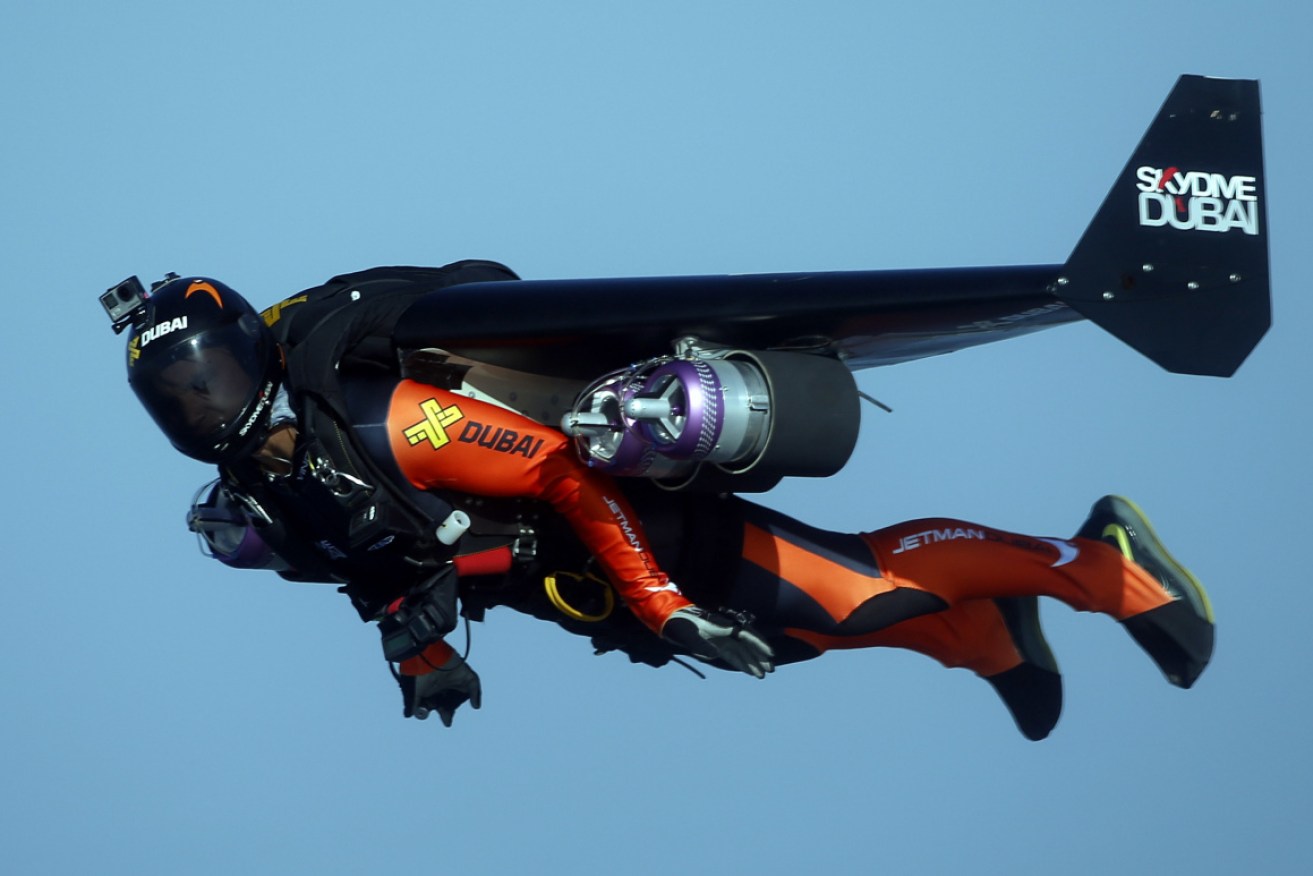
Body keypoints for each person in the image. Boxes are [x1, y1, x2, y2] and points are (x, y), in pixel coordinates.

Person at [120, 267, 1214, 740]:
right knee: (801, 640)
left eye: (205, 377)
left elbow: (557, 471)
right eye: (175, 399)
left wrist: (659, 603)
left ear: (253, 351)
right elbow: (382, 571)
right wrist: (424, 661)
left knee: (852, 590)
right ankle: (979, 636)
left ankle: (1099, 563)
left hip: (641, 544)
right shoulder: (270, 492)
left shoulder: (387, 423)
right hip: (592, 591)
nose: (200, 408)